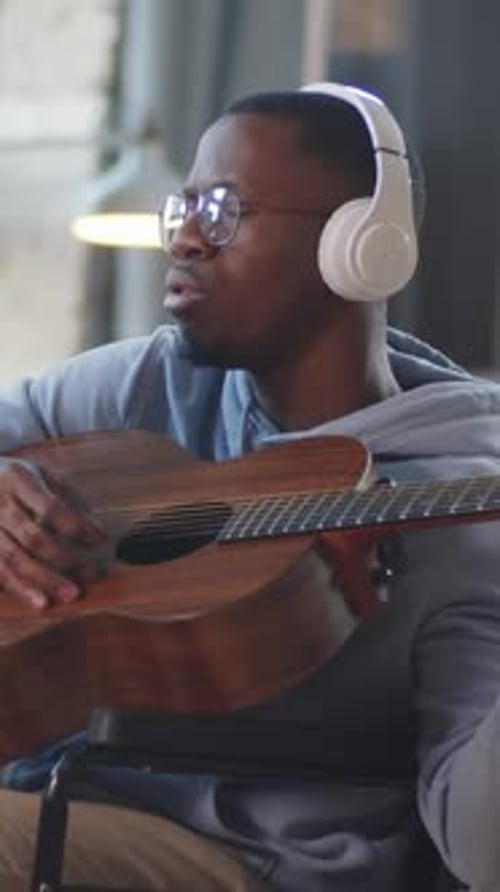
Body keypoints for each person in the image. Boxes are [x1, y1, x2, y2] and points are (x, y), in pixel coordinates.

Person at [0, 81, 499, 892]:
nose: (186, 242)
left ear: (360, 245)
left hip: (260, 863)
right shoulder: (149, 385)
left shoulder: (464, 508)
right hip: (61, 792)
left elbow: (484, 849)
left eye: (224, 211)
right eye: (183, 210)